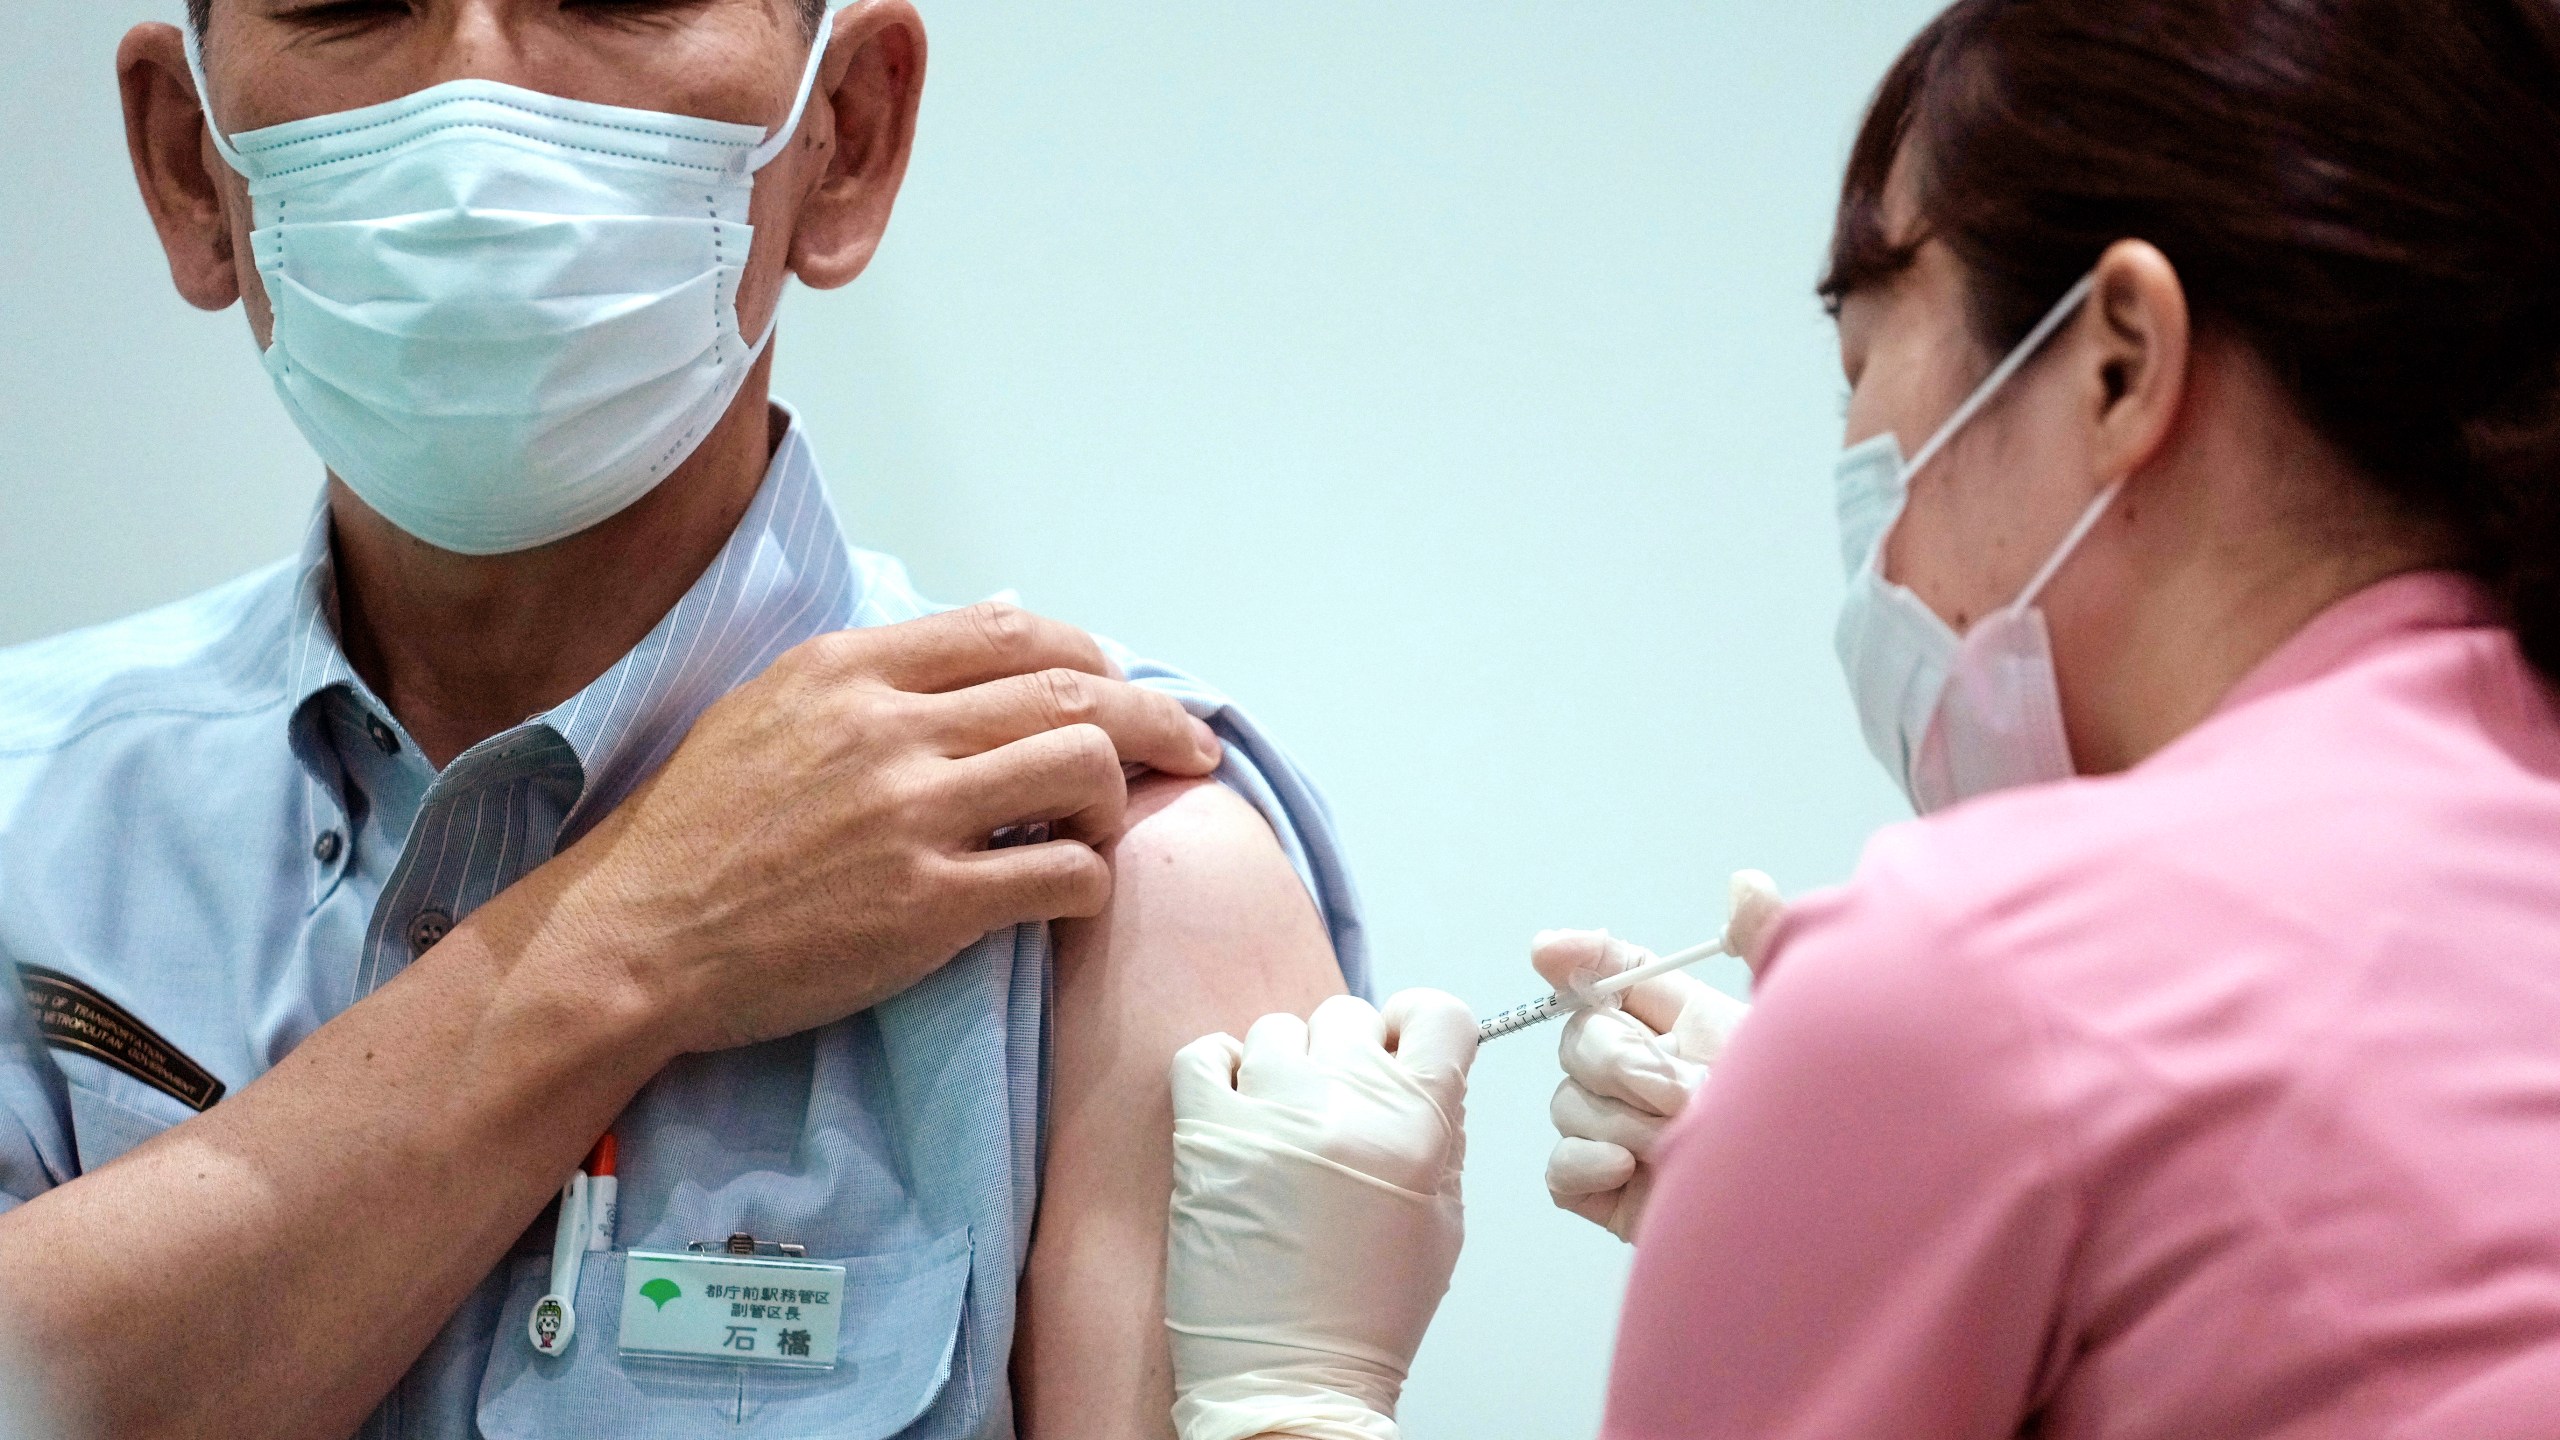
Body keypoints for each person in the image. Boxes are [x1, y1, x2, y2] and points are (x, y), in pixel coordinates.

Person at [1160, 0, 2560, 1436]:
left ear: (2121, 359)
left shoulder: (1982, 974)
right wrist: (1854, 1207)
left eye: (1863, 371)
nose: (1858, 488)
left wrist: (1293, 1392)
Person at [0, 1, 1356, 1436]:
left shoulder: (1110, 865)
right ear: (187, 163)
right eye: (349, 0)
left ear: (847, 137)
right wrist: (634, 928)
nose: (475, 111)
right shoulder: (25, 821)